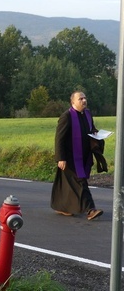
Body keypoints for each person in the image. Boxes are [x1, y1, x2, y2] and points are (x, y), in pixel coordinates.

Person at [51, 91, 104, 220]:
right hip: (71, 157)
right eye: (80, 99)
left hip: (84, 156)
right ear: (73, 102)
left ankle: (62, 206)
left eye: (85, 98)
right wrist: (60, 158)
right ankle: (90, 209)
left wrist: (98, 135)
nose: (84, 100)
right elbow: (59, 138)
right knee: (81, 183)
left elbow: (91, 129)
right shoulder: (67, 116)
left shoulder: (87, 114)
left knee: (67, 183)